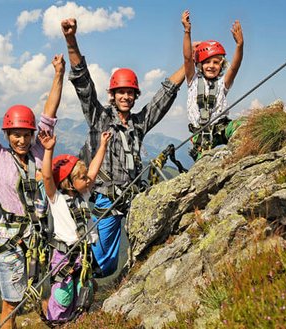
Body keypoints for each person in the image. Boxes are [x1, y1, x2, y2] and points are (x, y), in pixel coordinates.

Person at [61, 18, 186, 277]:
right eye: (121, 92)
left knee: (121, 259)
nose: (126, 96)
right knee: (99, 263)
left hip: (129, 200)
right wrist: (71, 41)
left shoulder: (138, 124)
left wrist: (189, 63)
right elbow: (83, 86)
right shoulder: (99, 119)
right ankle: (71, 291)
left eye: (130, 93)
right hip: (103, 200)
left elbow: (163, 97)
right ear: (113, 94)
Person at [0, 47, 65, 329]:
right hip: (12, 238)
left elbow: (50, 112)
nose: (21, 141)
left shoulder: (37, 152)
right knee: (11, 304)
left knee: (43, 295)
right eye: (16, 135)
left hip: (39, 237)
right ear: (7, 135)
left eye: (25, 135)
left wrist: (58, 74)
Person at [38, 129, 111, 323]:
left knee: (81, 294)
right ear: (68, 183)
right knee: (63, 296)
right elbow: (47, 177)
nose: (88, 180)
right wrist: (48, 150)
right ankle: (56, 322)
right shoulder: (57, 199)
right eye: (82, 177)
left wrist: (103, 146)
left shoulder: (83, 195)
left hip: (83, 255)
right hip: (63, 256)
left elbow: (94, 170)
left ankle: (76, 323)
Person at [182, 10, 244, 161]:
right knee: (203, 162)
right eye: (207, 62)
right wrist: (187, 31)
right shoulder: (193, 81)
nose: (211, 66)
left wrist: (239, 45)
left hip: (221, 128)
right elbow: (187, 59)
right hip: (201, 135)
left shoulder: (223, 83)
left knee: (242, 126)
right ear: (200, 65)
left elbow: (235, 67)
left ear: (221, 65)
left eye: (216, 62)